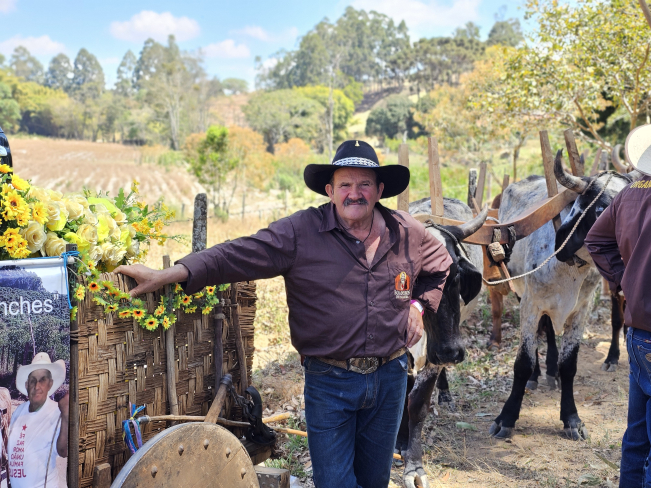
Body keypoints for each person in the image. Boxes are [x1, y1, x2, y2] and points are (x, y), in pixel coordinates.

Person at [116, 140, 453, 488]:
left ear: (380, 190)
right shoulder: (300, 232)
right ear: (330, 190)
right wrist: (168, 274)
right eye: (345, 185)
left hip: (390, 378)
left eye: (364, 184)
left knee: (374, 481)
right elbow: (236, 254)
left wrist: (418, 306)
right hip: (330, 381)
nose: (355, 193)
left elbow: (441, 264)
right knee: (335, 483)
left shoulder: (406, 231)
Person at [585, 124, 651, 487]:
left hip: (638, 331)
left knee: (637, 433)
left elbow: (596, 240)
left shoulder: (627, 195)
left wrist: (625, 282)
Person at [7, 352, 68, 488]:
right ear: (27, 384)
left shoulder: (57, 411)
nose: (37, 386)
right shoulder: (18, 411)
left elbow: (64, 451)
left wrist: (66, 416)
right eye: (33, 380)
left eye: (42, 380)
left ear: (50, 384)